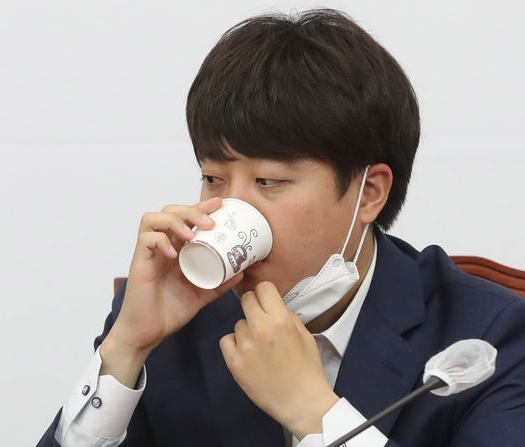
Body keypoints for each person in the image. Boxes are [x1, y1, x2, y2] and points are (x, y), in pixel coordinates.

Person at [37, 8, 525, 447]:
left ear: (369, 193)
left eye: (268, 181)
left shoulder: (490, 336)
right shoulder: (174, 315)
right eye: (213, 178)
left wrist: (314, 412)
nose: (228, 209)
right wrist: (125, 347)